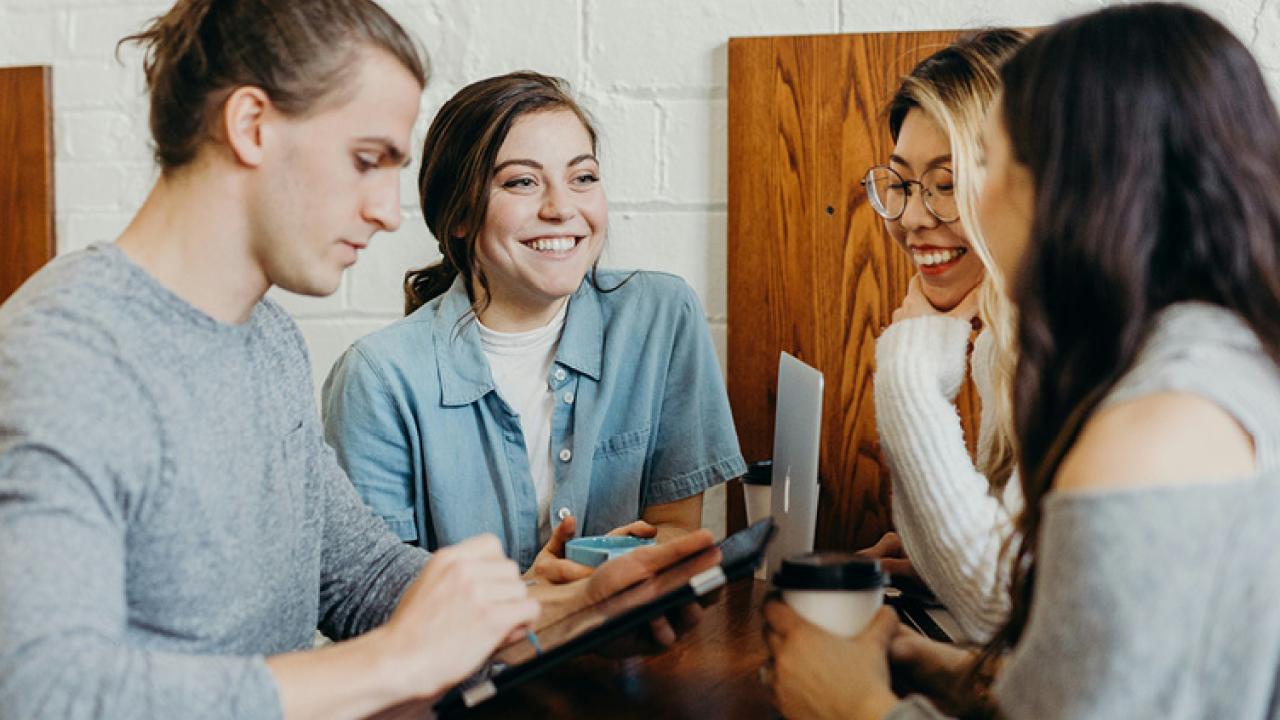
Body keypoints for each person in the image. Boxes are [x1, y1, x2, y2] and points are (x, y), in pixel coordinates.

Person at [0, 3, 714, 718]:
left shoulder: (266, 340)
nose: (387, 211)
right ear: (250, 126)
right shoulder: (61, 356)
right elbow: (42, 690)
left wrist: (567, 614)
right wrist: (394, 661)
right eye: (365, 160)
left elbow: (361, 579)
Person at [763, 3, 1280, 718]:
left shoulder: (1153, 428)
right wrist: (937, 667)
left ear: (1080, 184)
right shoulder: (1207, 362)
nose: (961, 199)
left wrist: (853, 707)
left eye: (988, 162)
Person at [322, 71, 746, 580]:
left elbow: (677, 529)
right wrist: (536, 600)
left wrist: (621, 569)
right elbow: (377, 595)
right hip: (471, 660)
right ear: (457, 215)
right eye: (522, 181)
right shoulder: (377, 378)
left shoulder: (660, 317)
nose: (561, 208)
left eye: (582, 177)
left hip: (626, 649)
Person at [860, 29, 1026, 642]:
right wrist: (934, 561)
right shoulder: (1004, 341)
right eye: (901, 183)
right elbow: (1017, 583)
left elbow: (1000, 608)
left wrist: (907, 369)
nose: (911, 217)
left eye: (947, 183)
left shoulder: (1081, 346)